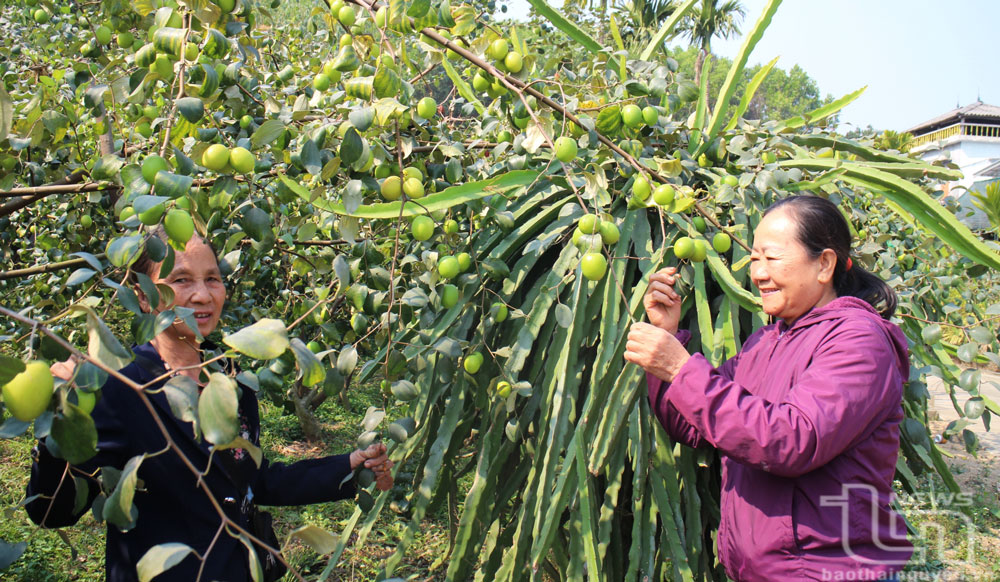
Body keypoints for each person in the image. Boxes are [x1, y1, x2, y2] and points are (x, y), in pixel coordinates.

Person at [26, 229, 394, 582]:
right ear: (143, 296)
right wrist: (58, 422)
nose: (203, 295)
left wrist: (346, 467)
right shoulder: (120, 389)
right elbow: (51, 510)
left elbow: (254, 479)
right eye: (182, 280)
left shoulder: (231, 383)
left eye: (212, 279)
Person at [624, 195, 912, 582]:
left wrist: (679, 368)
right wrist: (667, 337)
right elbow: (693, 424)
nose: (758, 273)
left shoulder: (859, 342)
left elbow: (792, 440)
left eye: (772, 258)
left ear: (824, 263)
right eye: (754, 258)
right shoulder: (765, 342)